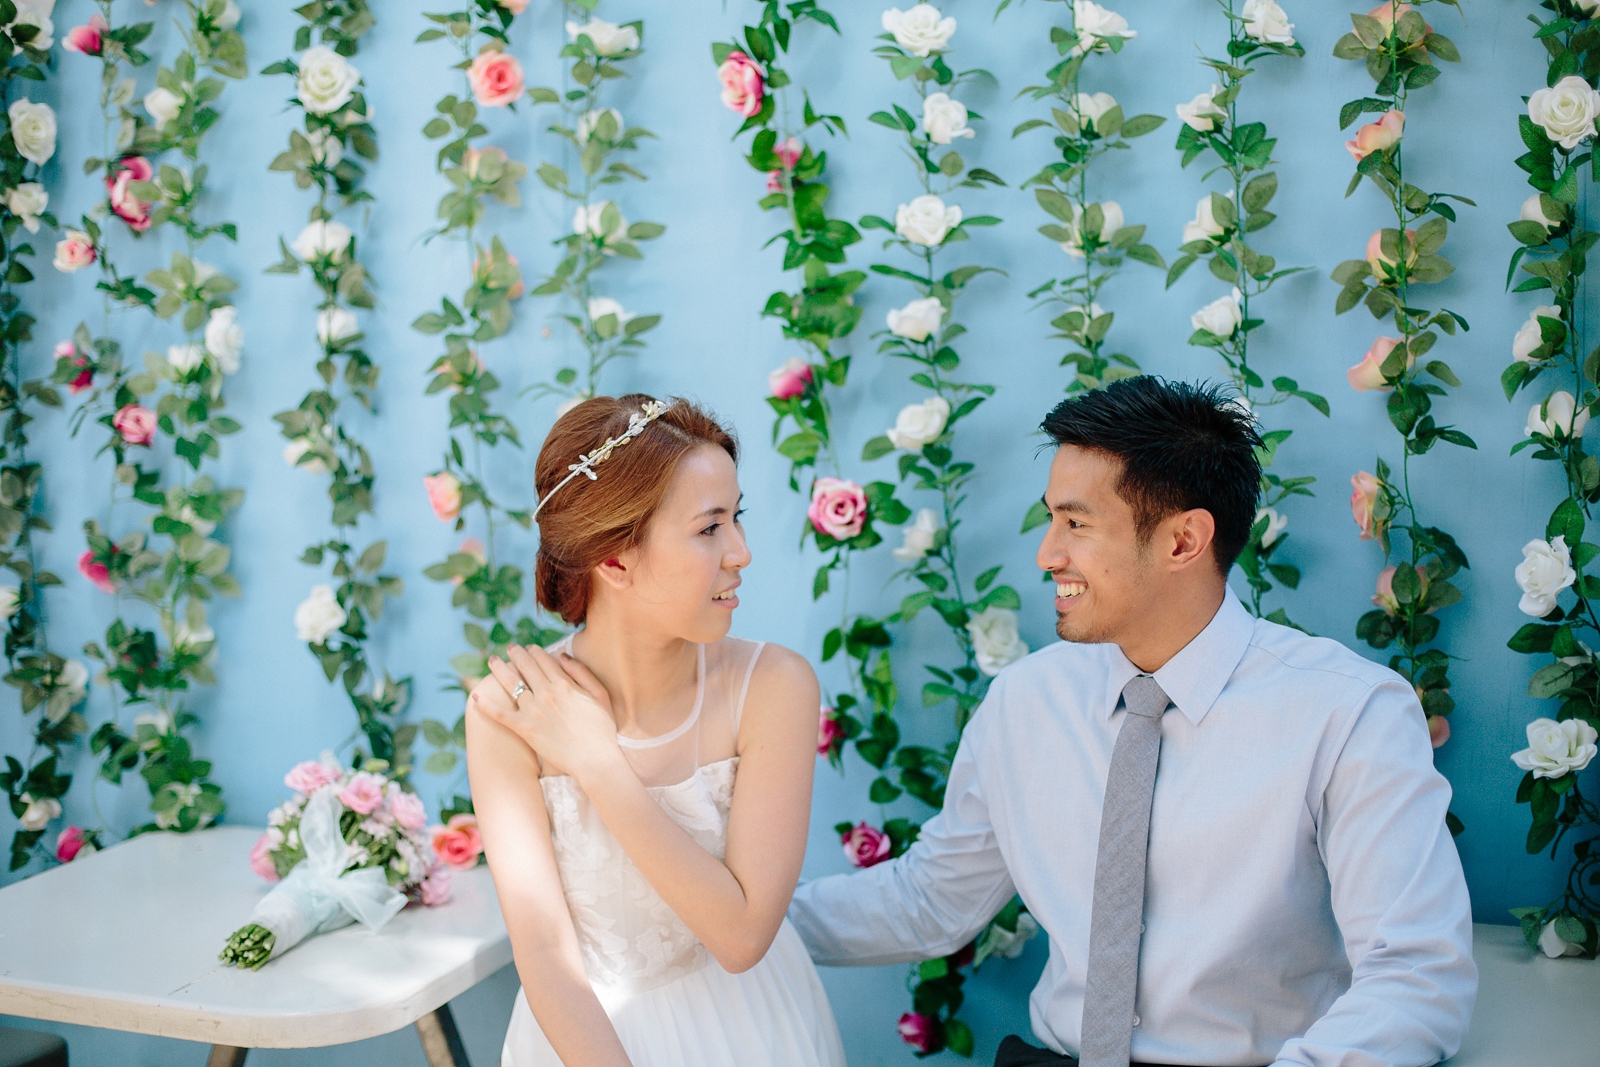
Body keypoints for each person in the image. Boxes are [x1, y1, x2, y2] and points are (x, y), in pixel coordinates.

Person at [788, 376, 1477, 1067]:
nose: (1047, 554)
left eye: (1076, 523)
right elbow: (931, 900)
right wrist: (722, 917)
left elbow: (1416, 977)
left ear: (1184, 540)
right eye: (1051, 519)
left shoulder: (1350, 714)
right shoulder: (1024, 703)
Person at [466, 395, 845, 1067]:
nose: (742, 552)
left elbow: (740, 936)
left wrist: (599, 765)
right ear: (614, 561)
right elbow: (546, 957)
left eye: (738, 518)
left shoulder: (775, 686)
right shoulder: (509, 715)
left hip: (753, 1031)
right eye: (709, 528)